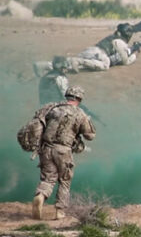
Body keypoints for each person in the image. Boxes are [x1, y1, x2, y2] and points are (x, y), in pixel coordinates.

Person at [30, 85, 97, 220]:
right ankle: (60, 211)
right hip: (63, 151)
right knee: (65, 180)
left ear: (67, 96)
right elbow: (90, 135)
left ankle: (40, 196)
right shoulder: (79, 113)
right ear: (79, 98)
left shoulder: (52, 109)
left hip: (45, 149)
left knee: (48, 178)